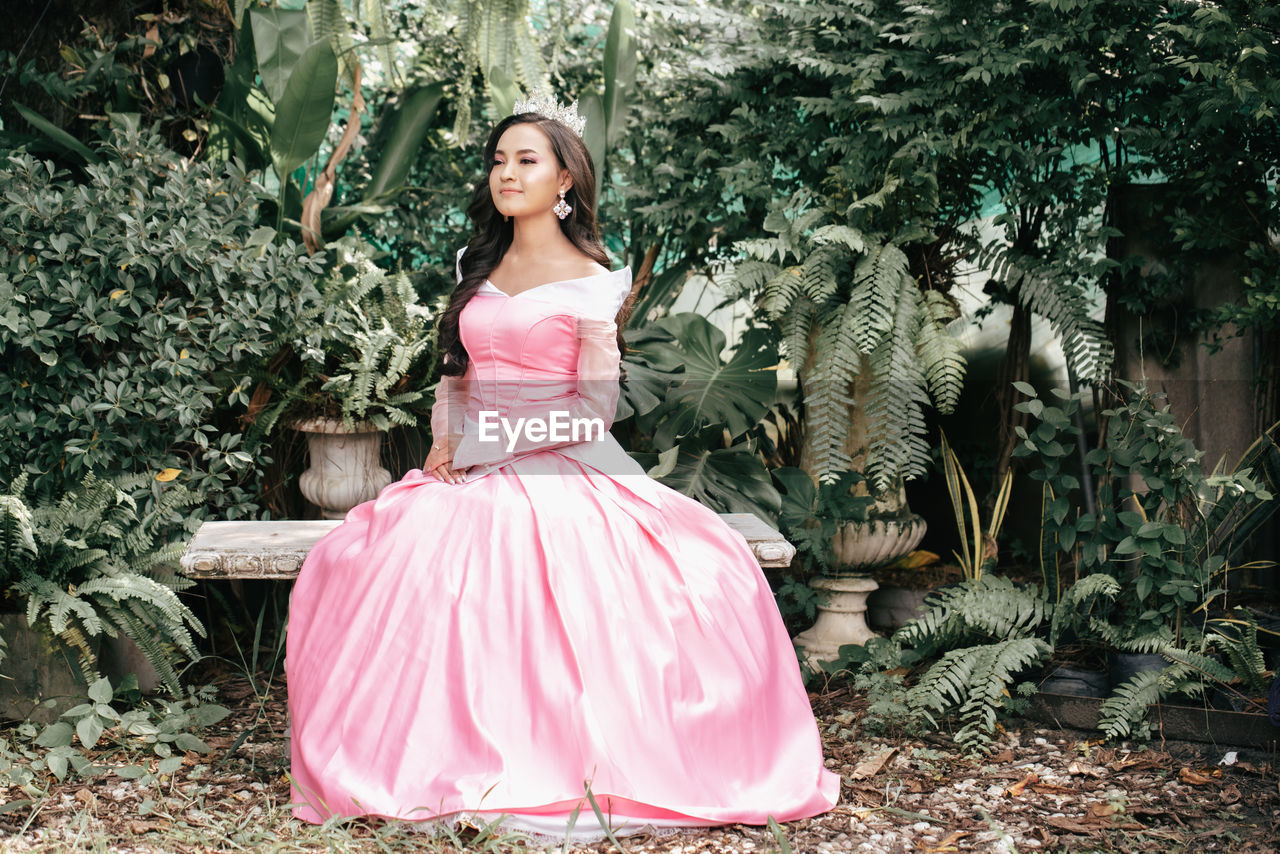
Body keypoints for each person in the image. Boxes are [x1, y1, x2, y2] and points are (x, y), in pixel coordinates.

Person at [285, 94, 840, 844]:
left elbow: (593, 412)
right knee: (370, 557)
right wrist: (446, 445)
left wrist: (491, 446)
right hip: (470, 465)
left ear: (564, 181)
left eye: (526, 160)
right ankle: (430, 751)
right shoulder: (477, 263)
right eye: (498, 159)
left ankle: (576, 755)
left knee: (630, 570)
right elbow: (458, 374)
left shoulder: (592, 280)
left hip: (567, 463)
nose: (506, 173)